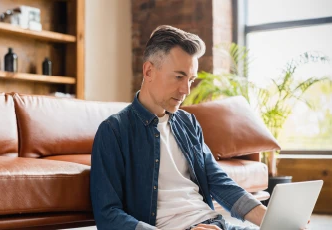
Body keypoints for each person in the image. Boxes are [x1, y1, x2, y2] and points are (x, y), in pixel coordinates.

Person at [89, 25, 309, 230]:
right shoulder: (114, 131)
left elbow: (218, 181)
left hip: (215, 225)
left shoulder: (188, 123)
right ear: (148, 72)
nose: (186, 89)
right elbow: (108, 215)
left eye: (191, 79)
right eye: (179, 76)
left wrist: (272, 219)